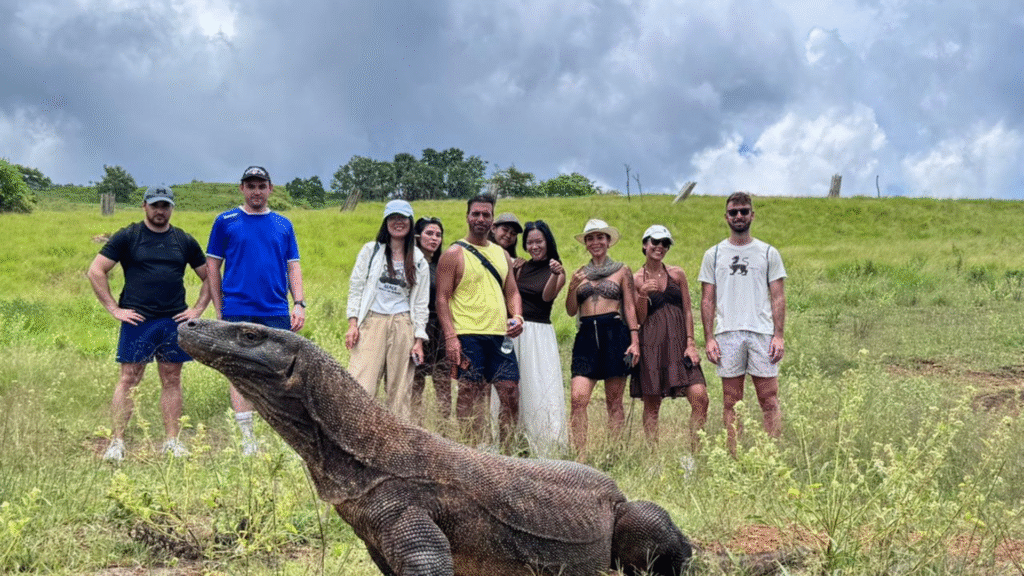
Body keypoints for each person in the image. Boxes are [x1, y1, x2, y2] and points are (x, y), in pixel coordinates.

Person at [87, 186, 209, 461]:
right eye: (155, 205)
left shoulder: (183, 240)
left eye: (165, 206)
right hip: (138, 319)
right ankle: (116, 442)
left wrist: (198, 308)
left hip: (172, 320)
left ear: (172, 208)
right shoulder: (128, 236)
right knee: (129, 379)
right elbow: (96, 270)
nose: (160, 211)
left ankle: (172, 442)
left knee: (172, 378)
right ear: (144, 206)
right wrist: (114, 308)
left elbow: (209, 277)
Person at [206, 166, 307, 455]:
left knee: (277, 369)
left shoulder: (283, 224)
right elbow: (213, 265)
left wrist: (298, 303)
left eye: (261, 185)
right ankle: (247, 437)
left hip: (275, 307)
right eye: (250, 185)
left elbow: (293, 265)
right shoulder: (225, 221)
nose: (256, 191)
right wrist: (219, 307)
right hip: (237, 307)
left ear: (270, 189)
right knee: (239, 370)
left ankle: (279, 429)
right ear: (242, 189)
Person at [699, 192, 787, 456]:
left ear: (752, 215)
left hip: (762, 333)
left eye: (744, 211)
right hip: (728, 333)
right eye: (734, 212)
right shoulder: (713, 254)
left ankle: (771, 455)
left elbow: (778, 296)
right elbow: (707, 299)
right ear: (726, 216)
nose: (739, 216)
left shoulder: (768, 252)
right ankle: (733, 454)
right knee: (731, 401)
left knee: (769, 399)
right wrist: (709, 338)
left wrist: (779, 335)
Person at [436, 195, 523, 450]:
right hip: (468, 335)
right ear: (467, 217)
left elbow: (512, 292)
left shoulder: (502, 254)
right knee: (469, 394)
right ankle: (469, 451)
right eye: (476, 214)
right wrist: (451, 338)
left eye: (486, 215)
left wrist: (517, 316)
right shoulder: (453, 254)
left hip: (500, 336)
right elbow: (442, 299)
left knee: (510, 393)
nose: (481, 219)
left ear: (493, 221)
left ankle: (506, 454)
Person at [346, 200, 430, 422]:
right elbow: (356, 287)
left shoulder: (419, 260)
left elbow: (421, 303)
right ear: (386, 222)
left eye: (402, 218)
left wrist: (418, 339)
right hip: (372, 321)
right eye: (393, 218)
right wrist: (353, 324)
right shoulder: (371, 251)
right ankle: (357, 434)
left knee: (399, 392)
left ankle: (395, 445)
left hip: (403, 324)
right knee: (361, 385)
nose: (398, 222)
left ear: (410, 223)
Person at [632, 225, 709, 465]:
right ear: (645, 244)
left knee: (700, 397)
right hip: (652, 346)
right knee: (652, 404)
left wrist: (691, 343)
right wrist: (643, 294)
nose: (660, 247)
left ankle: (694, 457)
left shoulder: (677, 274)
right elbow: (639, 318)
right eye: (655, 242)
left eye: (665, 243)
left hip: (679, 344)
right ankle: (653, 459)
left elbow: (687, 309)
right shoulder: (635, 279)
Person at [565, 219, 640, 461]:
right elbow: (570, 310)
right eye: (590, 238)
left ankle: (613, 453)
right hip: (586, 334)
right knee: (578, 398)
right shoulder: (580, 273)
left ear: (608, 241)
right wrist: (571, 287)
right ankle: (581, 455)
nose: (595, 242)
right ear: (586, 244)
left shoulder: (622, 270)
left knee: (614, 401)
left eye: (600, 237)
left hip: (613, 332)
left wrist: (634, 339)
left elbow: (629, 306)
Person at [513, 220, 568, 457]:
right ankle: (515, 440)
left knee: (540, 385)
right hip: (516, 331)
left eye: (539, 241)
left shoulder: (558, 269)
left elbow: (547, 297)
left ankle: (547, 444)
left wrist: (556, 275)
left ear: (548, 242)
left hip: (539, 334)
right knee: (515, 385)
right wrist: (514, 269)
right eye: (530, 242)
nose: (535, 246)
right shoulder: (521, 267)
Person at [410, 216, 453, 423]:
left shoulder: (442, 266)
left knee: (443, 380)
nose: (434, 238)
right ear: (417, 236)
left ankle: (443, 426)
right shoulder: (410, 263)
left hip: (440, 327)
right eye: (429, 233)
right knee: (414, 380)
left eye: (438, 234)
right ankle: (415, 425)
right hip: (416, 326)